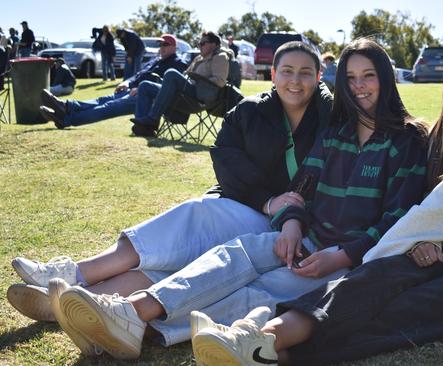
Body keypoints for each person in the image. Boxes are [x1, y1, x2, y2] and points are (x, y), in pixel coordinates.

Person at [48, 37, 428, 361]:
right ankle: (131, 313)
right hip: (308, 240)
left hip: (346, 262)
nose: (359, 86)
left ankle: (142, 330)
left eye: (369, 76)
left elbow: (399, 218)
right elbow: (300, 192)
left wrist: (342, 256)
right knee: (233, 256)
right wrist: (293, 225)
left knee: (259, 293)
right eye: (350, 78)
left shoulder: (406, 140)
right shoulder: (336, 134)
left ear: (386, 79)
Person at [190, 38, 443, 366]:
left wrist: (362, 253)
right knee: (371, 286)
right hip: (440, 252)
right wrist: (425, 241)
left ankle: (272, 348)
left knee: (401, 311)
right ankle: (257, 341)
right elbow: (427, 203)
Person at [7, 41, 332, 355]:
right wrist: (267, 201)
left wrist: (287, 213)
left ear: (318, 77)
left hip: (292, 223)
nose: (295, 80)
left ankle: (76, 289)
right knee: (183, 239)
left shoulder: (331, 117)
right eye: (287, 71)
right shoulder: (249, 110)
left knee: (197, 234)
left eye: (305, 72)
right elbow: (226, 159)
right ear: (272, 74)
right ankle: (73, 289)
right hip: (252, 205)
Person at [38, 34, 187, 129]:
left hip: (147, 96)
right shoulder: (156, 60)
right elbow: (138, 75)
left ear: (174, 47)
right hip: (132, 90)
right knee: (101, 100)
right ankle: (66, 107)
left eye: (165, 45)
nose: (162, 48)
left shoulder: (178, 63)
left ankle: (66, 118)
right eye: (160, 45)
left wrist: (142, 88)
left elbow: (170, 87)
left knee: (108, 106)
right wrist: (127, 83)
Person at [130, 31, 231, 137]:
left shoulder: (220, 57)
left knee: (171, 73)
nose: (199, 46)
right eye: (198, 44)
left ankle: (153, 119)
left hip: (199, 97)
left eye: (202, 43)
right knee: (145, 86)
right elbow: (185, 75)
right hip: (185, 93)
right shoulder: (199, 58)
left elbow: (220, 81)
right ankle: (142, 127)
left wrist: (199, 79)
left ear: (213, 44)